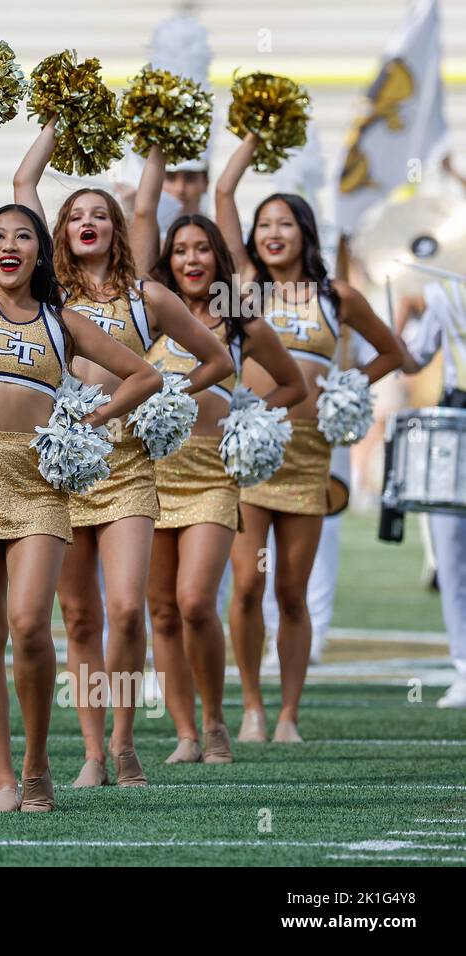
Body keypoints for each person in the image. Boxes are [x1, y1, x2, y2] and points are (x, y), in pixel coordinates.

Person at [0, 118, 160, 810]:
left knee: (32, 624)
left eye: (23, 234)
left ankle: (40, 762)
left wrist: (85, 422)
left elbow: (142, 377)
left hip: (38, 481)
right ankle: (5, 779)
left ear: (42, 252)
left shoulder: (62, 321)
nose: (9, 244)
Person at [16, 129, 233, 788]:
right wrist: (55, 125)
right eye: (77, 216)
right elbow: (23, 190)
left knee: (129, 609)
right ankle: (88, 751)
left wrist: (168, 394)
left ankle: (126, 740)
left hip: (130, 465)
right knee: (78, 617)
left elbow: (218, 359)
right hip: (61, 467)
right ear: (62, 232)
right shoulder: (48, 293)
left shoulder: (149, 298)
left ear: (118, 230)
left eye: (100, 215)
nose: (89, 223)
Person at [216, 131, 403, 742]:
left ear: (305, 233)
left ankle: (290, 713)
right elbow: (222, 192)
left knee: (291, 590)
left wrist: (345, 387)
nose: (273, 232)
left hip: (308, 455)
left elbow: (394, 352)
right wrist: (253, 133)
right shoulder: (243, 288)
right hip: (249, 452)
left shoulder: (336, 296)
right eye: (265, 223)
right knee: (246, 585)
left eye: (286, 224)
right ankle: (250, 706)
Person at [144, 210, 306, 763]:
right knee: (161, 610)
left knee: (193, 601)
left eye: (202, 250)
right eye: (181, 250)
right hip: (153, 474)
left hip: (213, 475)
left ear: (218, 259)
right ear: (168, 259)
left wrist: (249, 416)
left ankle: (216, 719)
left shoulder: (241, 324)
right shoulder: (149, 320)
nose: (191, 260)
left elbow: (293, 384)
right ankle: (186, 731)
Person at [395, 276, 466, 709]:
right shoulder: (445, 290)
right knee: (451, 547)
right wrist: (393, 322)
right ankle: (464, 668)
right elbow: (414, 358)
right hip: (456, 417)